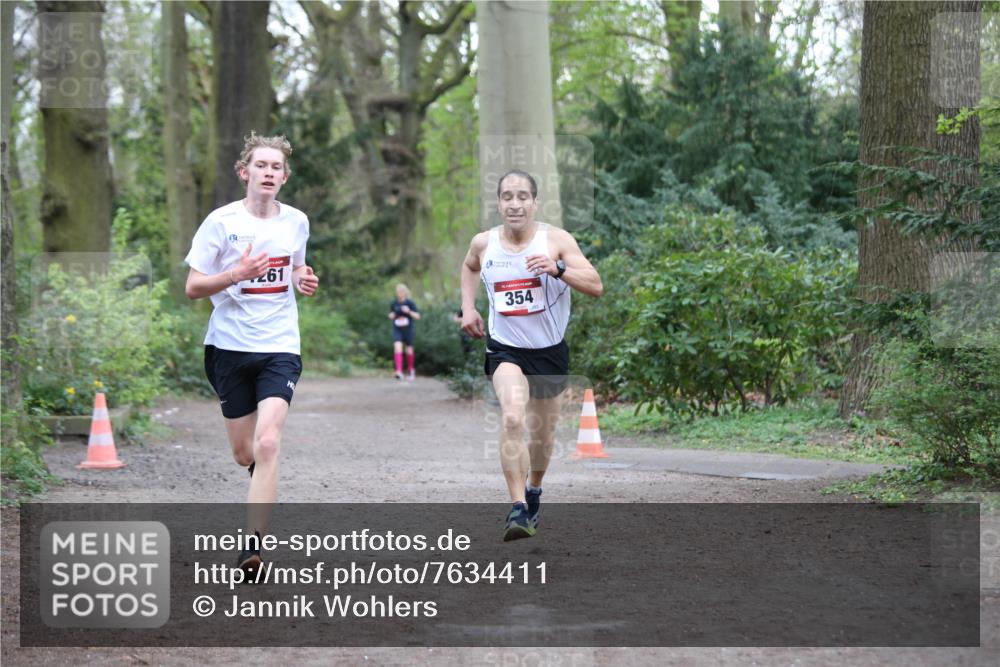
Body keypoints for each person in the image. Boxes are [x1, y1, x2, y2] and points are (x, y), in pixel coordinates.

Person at [184, 132, 319, 575]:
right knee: (246, 454)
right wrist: (235, 273)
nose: (268, 173)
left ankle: (252, 547)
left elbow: (297, 263)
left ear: (284, 176)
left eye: (276, 167)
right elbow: (192, 287)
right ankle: (261, 479)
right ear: (245, 173)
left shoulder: (296, 221)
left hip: (280, 345)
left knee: (268, 442)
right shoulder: (220, 222)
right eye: (260, 166)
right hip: (228, 347)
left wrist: (302, 277)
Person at [460, 169, 602, 541]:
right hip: (506, 349)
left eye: (522, 196)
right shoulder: (484, 242)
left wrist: (559, 269)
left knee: (542, 437)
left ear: (534, 202)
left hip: (549, 352)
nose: (515, 203)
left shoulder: (556, 240)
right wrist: (468, 308)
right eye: (507, 196)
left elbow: (596, 285)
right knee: (511, 417)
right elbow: (470, 266)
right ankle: (518, 507)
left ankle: (535, 488)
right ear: (499, 202)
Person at [388, 283, 420, 380]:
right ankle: (399, 371)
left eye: (402, 291)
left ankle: (410, 370)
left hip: (408, 329)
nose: (400, 293)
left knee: (409, 349)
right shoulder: (394, 303)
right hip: (397, 328)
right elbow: (391, 314)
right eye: (398, 292)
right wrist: (391, 315)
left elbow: (418, 316)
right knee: (397, 347)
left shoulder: (410, 303)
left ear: (405, 292)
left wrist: (409, 311)